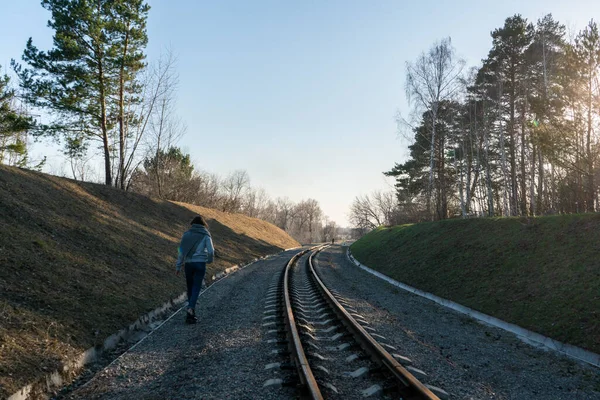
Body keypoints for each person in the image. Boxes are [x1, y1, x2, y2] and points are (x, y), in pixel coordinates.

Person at [176, 215, 214, 324]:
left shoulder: (186, 235)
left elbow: (181, 251)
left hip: (188, 264)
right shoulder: (206, 235)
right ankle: (190, 309)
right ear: (203, 224)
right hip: (200, 264)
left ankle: (191, 313)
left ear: (192, 224)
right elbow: (211, 251)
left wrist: (178, 266)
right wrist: (209, 260)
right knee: (196, 287)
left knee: (190, 288)